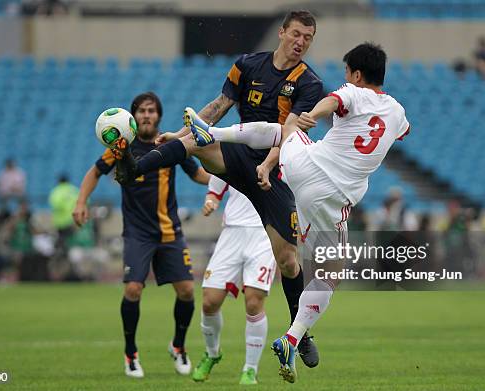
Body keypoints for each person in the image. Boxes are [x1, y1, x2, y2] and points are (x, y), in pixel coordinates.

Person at [185, 42, 411, 383]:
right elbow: (403, 132)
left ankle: (213, 133)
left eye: (348, 73)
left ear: (357, 74)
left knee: (286, 128)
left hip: (301, 171)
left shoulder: (352, 92)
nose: (345, 78)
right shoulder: (396, 111)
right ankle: (293, 336)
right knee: (329, 273)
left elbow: (335, 101)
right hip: (334, 197)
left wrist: (312, 115)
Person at [113, 10, 323, 368]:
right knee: (195, 141)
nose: (301, 42)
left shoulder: (309, 84)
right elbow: (216, 109)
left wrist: (268, 165)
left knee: (288, 260)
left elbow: (289, 133)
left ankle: (299, 332)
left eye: (308, 38)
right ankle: (137, 165)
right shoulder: (247, 65)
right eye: (297, 34)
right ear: (282, 32)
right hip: (238, 156)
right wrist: (179, 136)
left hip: (273, 174)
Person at [72, 92, 210, 378]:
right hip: (137, 232)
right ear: (133, 117)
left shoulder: (169, 145)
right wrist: (81, 201)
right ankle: (131, 353)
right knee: (133, 289)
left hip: (169, 229)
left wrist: (231, 179)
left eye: (151, 110)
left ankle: (179, 346)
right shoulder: (122, 147)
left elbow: (197, 175)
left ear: (159, 115)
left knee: (186, 290)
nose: (147, 115)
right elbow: (95, 173)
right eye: (142, 111)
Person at [192, 175, 276, 385]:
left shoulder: (279, 153)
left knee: (254, 301)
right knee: (209, 301)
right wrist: (211, 201)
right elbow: (215, 189)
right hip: (232, 233)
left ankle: (250, 369)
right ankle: (212, 353)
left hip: (264, 234)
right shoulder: (231, 153)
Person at [49, 174, 79, 258]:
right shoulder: (74, 190)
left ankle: (62, 260)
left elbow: (55, 205)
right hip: (73, 222)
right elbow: (85, 202)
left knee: (62, 244)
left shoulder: (56, 191)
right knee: (71, 243)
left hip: (60, 223)